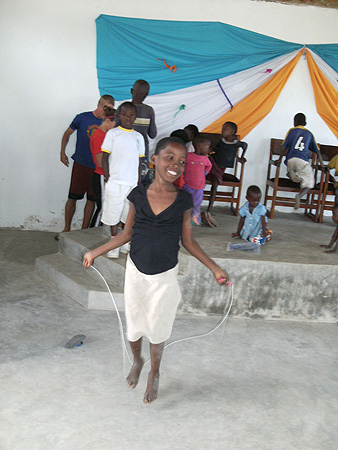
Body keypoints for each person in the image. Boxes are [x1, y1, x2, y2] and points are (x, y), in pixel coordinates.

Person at [83, 136, 230, 404]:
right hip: (136, 271)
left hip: (164, 275)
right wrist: (95, 252)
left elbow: (188, 241)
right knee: (135, 324)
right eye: (169, 158)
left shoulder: (184, 200)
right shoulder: (138, 195)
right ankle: (137, 360)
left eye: (182, 161)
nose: (175, 164)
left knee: (158, 326)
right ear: (154, 160)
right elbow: (125, 234)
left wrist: (214, 268)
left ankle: (155, 372)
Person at [57, 95, 115, 240]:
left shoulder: (110, 124)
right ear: (98, 104)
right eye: (105, 107)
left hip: (97, 169)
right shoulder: (82, 118)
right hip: (81, 164)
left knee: (92, 200)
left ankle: (84, 231)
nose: (106, 111)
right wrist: (62, 152)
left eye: (110, 108)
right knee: (72, 197)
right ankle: (66, 229)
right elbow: (67, 134)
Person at [101, 102, 145, 258]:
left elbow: (139, 162)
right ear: (119, 116)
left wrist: (139, 181)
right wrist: (107, 177)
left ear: (136, 117)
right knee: (113, 211)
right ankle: (114, 242)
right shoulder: (112, 134)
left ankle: (125, 240)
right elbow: (105, 157)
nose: (128, 118)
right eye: (125, 115)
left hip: (131, 183)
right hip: (115, 181)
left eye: (132, 115)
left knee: (128, 214)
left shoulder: (138, 137)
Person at [279, 113, 324, 210]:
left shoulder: (291, 131)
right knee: (310, 183)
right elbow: (317, 150)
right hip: (302, 161)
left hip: (290, 160)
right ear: (305, 123)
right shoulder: (309, 133)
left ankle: (292, 173)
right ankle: (299, 196)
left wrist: (279, 159)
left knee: (293, 167)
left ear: (294, 122)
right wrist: (322, 164)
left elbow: (284, 147)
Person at [205, 122, 247, 224]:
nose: (222, 130)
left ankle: (209, 209)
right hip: (213, 163)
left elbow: (245, 145)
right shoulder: (221, 141)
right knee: (200, 177)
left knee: (215, 184)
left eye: (225, 129)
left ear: (232, 132)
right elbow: (216, 150)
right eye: (223, 128)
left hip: (219, 169)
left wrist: (240, 157)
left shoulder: (236, 143)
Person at [116, 80, 157, 182]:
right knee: (140, 183)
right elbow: (153, 134)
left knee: (124, 181)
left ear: (132, 91)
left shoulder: (122, 108)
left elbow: (115, 130)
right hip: (140, 153)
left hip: (124, 152)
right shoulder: (149, 111)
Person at [89, 105, 116, 228]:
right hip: (100, 175)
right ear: (108, 120)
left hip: (105, 175)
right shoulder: (100, 136)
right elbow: (100, 162)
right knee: (102, 208)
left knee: (106, 207)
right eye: (115, 124)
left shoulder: (106, 135)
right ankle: (93, 236)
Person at [183, 135, 212, 225]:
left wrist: (205, 172)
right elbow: (182, 162)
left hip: (199, 187)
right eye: (207, 147)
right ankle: (184, 219)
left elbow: (209, 166)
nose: (209, 149)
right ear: (200, 147)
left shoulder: (205, 159)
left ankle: (195, 219)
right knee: (185, 202)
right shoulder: (188, 156)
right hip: (187, 185)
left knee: (197, 204)